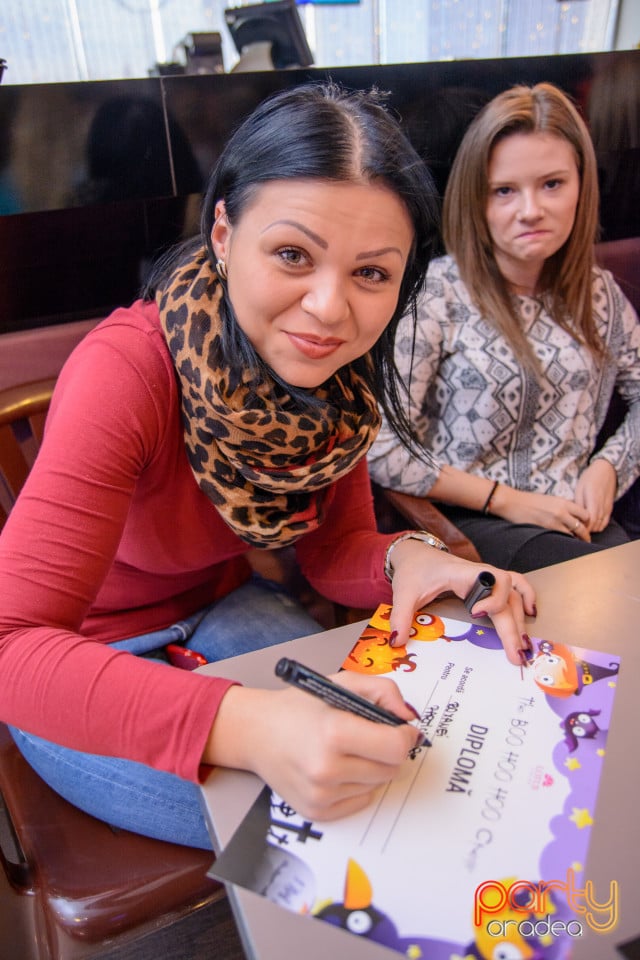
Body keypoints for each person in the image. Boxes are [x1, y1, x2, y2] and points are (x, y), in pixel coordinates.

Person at [0, 82, 534, 850]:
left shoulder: (339, 386)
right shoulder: (126, 371)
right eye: (292, 254)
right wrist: (240, 722)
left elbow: (331, 554)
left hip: (217, 607)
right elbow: (14, 644)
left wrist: (411, 559)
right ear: (223, 234)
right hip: (83, 660)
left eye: (372, 273)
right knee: (348, 820)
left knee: (399, 773)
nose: (328, 308)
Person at [369, 82, 640, 574]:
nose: (531, 210)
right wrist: (507, 500)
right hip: (473, 518)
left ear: (582, 184)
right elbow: (382, 448)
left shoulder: (601, 295)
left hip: (578, 512)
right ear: (478, 200)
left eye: (552, 184)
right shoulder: (436, 295)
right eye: (505, 191)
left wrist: (609, 467)